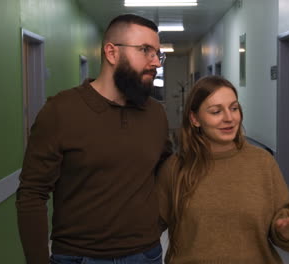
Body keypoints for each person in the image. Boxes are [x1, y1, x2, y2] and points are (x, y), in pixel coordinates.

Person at [16, 14, 172, 264]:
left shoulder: (156, 114)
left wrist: (157, 224)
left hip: (146, 254)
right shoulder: (61, 111)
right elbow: (32, 194)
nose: (156, 62)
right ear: (111, 53)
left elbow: (166, 170)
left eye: (157, 53)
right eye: (145, 50)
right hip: (78, 257)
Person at [157, 76, 289, 263]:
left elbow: (285, 234)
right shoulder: (175, 168)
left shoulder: (263, 163)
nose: (229, 118)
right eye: (216, 111)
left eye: (234, 108)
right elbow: (148, 230)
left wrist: (286, 231)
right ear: (195, 119)